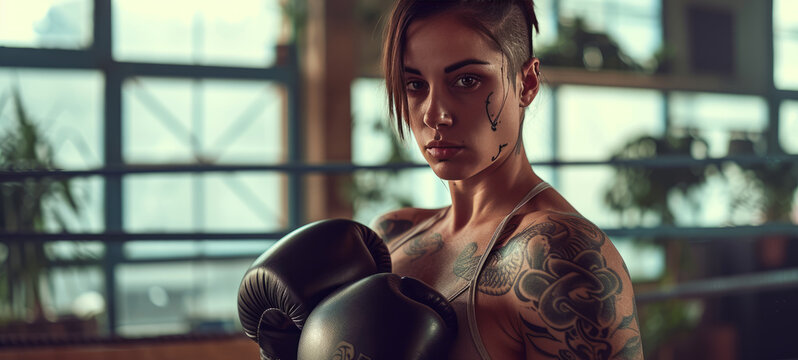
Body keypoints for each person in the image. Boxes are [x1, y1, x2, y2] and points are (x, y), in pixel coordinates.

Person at [370, 0, 643, 359]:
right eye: (415, 84)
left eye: (466, 80)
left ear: (526, 83)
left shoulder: (557, 254)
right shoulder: (392, 235)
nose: (435, 115)